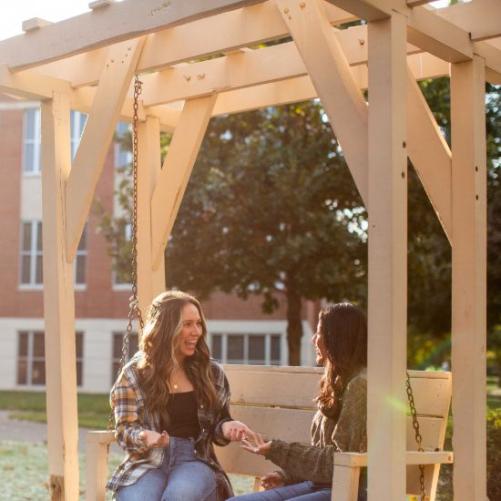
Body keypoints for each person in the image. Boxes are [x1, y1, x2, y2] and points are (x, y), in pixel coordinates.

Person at [107, 290, 253, 501]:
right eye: (187, 324)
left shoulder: (211, 373)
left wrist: (227, 427)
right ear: (166, 329)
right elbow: (124, 430)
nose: (196, 332)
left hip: (194, 460)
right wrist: (144, 436)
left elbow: (218, 424)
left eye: (198, 323)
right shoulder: (134, 375)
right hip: (147, 462)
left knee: (179, 496)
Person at [230, 303, 367, 501]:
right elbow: (320, 458)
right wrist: (286, 477)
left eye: (319, 333)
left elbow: (339, 463)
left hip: (348, 492)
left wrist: (277, 450)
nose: (313, 340)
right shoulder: (337, 381)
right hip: (318, 486)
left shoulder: (360, 386)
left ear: (338, 338)